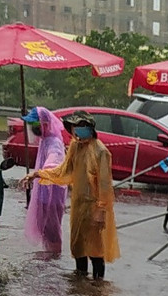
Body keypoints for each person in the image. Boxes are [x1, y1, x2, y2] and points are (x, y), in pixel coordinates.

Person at [25, 112, 121, 277]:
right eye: (75, 128)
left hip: (94, 207)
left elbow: (105, 185)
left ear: (89, 128)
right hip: (78, 206)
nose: (77, 132)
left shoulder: (101, 152)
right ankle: (80, 283)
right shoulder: (76, 147)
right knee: (78, 248)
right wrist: (38, 174)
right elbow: (64, 171)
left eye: (81, 127)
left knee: (95, 250)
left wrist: (101, 210)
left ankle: (96, 289)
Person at [21, 107, 69, 256]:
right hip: (44, 192)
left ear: (46, 124)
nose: (33, 129)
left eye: (35, 124)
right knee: (46, 229)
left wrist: (36, 174)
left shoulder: (54, 142)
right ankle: (49, 257)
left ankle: (54, 261)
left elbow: (54, 162)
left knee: (52, 230)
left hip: (52, 194)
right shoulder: (45, 140)